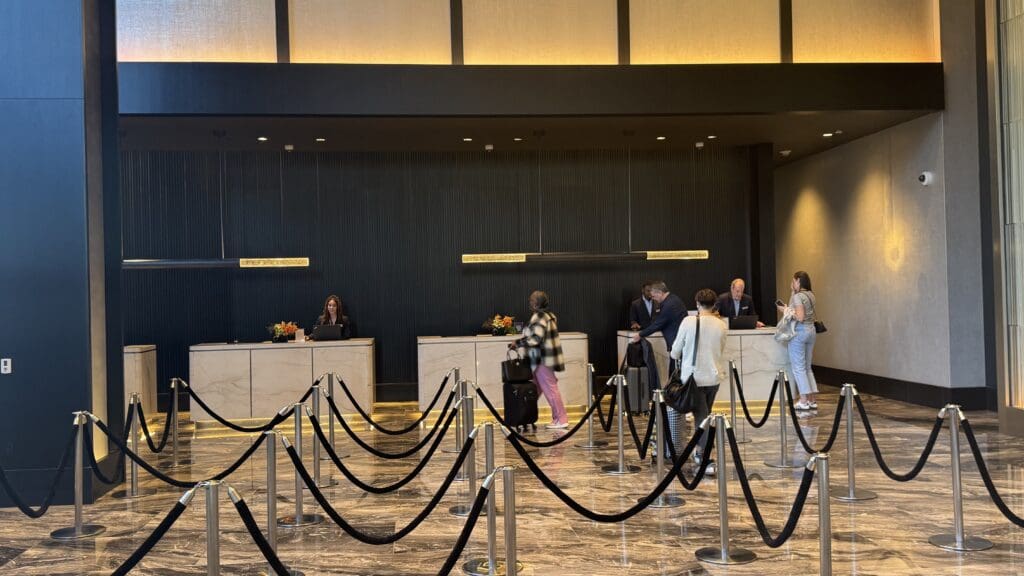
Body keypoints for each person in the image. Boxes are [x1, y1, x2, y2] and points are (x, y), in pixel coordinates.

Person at [670, 289, 728, 473]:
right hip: (714, 377)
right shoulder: (721, 325)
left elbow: (675, 351)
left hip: (694, 378)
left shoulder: (688, 322)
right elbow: (720, 348)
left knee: (701, 418)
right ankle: (701, 452)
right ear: (714, 304)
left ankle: (703, 457)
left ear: (697, 303)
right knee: (705, 414)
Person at [511, 291, 568, 429]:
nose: (529, 303)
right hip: (542, 359)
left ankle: (561, 419)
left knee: (550, 388)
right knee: (533, 391)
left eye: (531, 300)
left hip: (541, 359)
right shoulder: (548, 316)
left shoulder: (540, 316)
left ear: (537, 303)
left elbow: (535, 338)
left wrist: (517, 343)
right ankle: (522, 417)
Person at [777, 271, 818, 410]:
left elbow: (799, 317)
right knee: (807, 367)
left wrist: (785, 311)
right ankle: (812, 399)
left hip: (800, 332)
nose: (792, 284)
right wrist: (791, 294)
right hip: (811, 331)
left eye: (793, 281)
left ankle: (803, 399)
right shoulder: (811, 295)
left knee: (798, 367)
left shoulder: (798, 297)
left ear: (798, 281)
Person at [631, 281, 688, 375]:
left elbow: (658, 324)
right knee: (675, 372)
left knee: (675, 374)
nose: (653, 299)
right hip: (678, 343)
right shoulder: (673, 299)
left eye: (653, 296)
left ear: (660, 293)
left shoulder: (669, 304)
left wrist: (640, 334)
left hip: (677, 343)